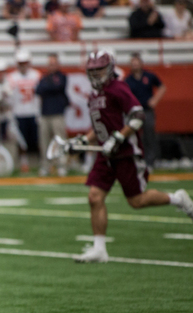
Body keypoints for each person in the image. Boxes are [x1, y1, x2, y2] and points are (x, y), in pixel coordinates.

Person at [72, 50, 193, 263]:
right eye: (92, 70)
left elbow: (137, 115)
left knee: (136, 201)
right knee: (94, 197)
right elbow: (100, 127)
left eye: (100, 69)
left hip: (126, 152)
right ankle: (99, 249)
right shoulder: (94, 95)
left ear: (110, 68)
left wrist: (118, 138)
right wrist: (83, 140)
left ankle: (178, 199)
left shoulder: (118, 88)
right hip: (106, 155)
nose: (96, 74)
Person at [124, 53, 165, 169]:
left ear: (141, 64)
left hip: (147, 110)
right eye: (133, 64)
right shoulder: (128, 80)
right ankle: (137, 159)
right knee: (134, 136)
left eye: (136, 63)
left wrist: (155, 100)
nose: (135, 66)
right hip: (135, 111)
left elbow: (162, 87)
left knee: (149, 135)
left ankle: (151, 161)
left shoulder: (149, 76)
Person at [35, 52, 69, 176]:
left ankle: (61, 165)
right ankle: (46, 165)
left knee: (60, 140)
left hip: (57, 114)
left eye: (54, 63)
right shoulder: (44, 77)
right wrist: (50, 86)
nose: (51, 66)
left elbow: (59, 87)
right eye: (50, 63)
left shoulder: (62, 76)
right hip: (45, 113)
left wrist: (48, 87)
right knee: (44, 142)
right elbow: (38, 90)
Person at [7, 49, 40, 173]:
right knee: (21, 141)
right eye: (20, 63)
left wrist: (39, 112)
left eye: (24, 62)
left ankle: (37, 162)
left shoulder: (36, 75)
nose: (23, 65)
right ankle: (24, 162)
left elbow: (39, 96)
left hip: (33, 112)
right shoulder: (12, 77)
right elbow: (9, 97)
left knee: (35, 140)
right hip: (19, 112)